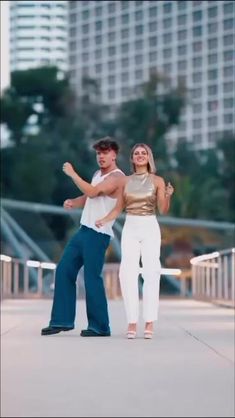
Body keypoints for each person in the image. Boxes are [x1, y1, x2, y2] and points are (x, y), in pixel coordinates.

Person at [41, 137, 125, 337]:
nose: (101, 156)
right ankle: (61, 321)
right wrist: (74, 202)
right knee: (63, 270)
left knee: (91, 278)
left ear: (114, 155)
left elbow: (94, 192)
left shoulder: (117, 177)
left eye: (105, 153)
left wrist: (72, 174)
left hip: (98, 234)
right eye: (98, 153)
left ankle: (100, 327)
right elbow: (88, 196)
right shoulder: (97, 174)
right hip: (83, 231)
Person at [95, 143, 174, 339]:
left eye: (143, 153)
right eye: (136, 153)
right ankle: (132, 321)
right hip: (130, 226)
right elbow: (118, 208)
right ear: (132, 158)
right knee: (127, 273)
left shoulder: (158, 181)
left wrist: (167, 196)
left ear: (149, 157)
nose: (140, 156)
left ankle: (149, 322)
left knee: (151, 272)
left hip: (149, 226)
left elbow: (163, 210)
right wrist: (104, 220)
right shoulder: (125, 181)